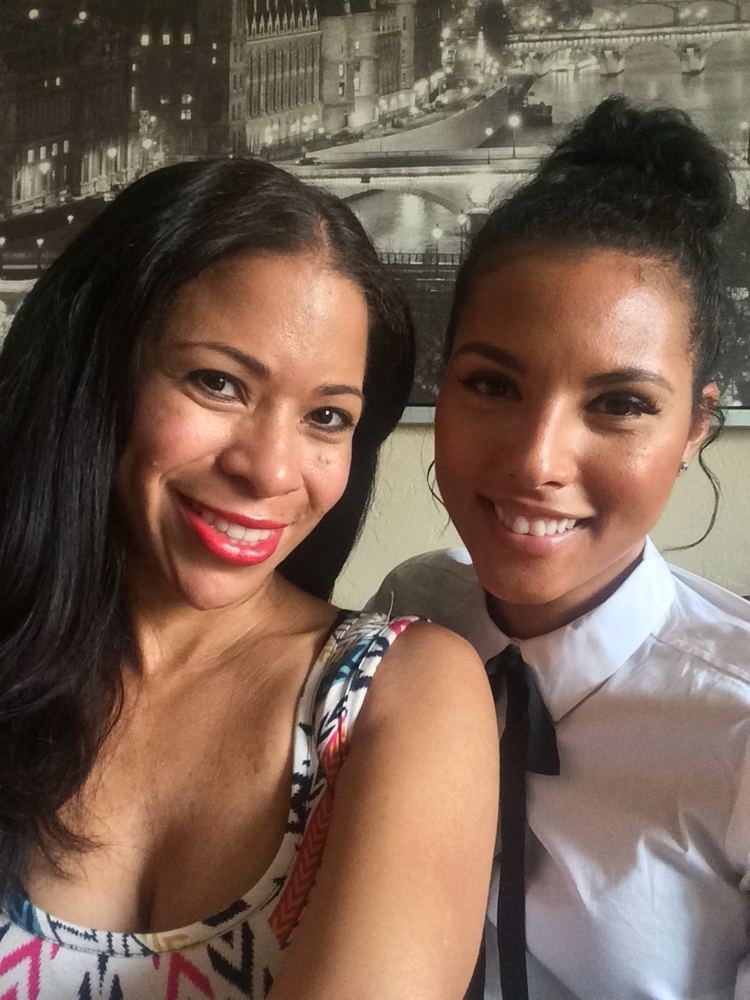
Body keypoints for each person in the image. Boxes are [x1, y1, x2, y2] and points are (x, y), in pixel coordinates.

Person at [0, 158, 499, 999]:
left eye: (326, 418)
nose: (271, 471)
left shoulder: (396, 695)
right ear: (97, 372)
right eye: (218, 382)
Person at [371, 97, 750, 1000]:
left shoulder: (735, 723)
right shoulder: (406, 614)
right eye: (493, 384)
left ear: (697, 424)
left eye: (619, 404)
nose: (537, 461)